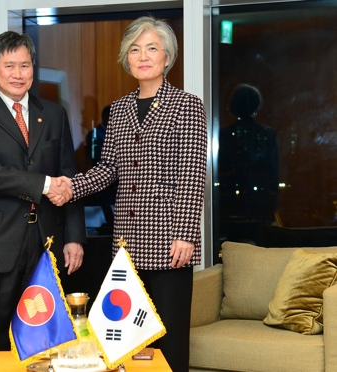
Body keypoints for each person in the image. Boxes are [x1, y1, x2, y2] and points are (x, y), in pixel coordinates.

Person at [49, 16, 207, 372]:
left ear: (167, 57)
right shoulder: (119, 109)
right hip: (127, 245)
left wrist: (184, 234)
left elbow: (192, 175)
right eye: (135, 49)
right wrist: (71, 186)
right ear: (127, 58)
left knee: (170, 342)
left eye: (152, 48)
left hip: (170, 243)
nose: (143, 55)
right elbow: (108, 170)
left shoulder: (187, 105)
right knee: (127, 342)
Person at [0, 31, 86, 372]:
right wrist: (43, 184)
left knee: (47, 338)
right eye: (9, 65)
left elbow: (68, 177)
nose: (18, 73)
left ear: (33, 68)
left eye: (25, 65)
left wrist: (74, 235)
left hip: (45, 242)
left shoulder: (54, 114)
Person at [219, 84, 278, 242]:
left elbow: (221, 169)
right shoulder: (267, 134)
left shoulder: (225, 134)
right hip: (260, 204)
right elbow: (273, 171)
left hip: (233, 205)